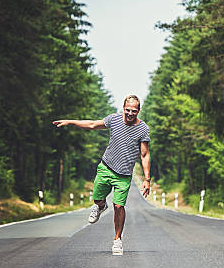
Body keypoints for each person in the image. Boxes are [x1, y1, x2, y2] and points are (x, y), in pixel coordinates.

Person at [52, 94, 151, 255]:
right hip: (106, 167)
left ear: (138, 111)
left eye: (134, 111)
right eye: (128, 110)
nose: (130, 113)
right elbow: (92, 124)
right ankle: (100, 206)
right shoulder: (114, 120)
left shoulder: (143, 129)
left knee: (119, 206)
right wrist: (70, 122)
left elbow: (145, 155)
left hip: (124, 175)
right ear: (123, 108)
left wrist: (147, 179)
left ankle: (117, 240)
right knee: (97, 198)